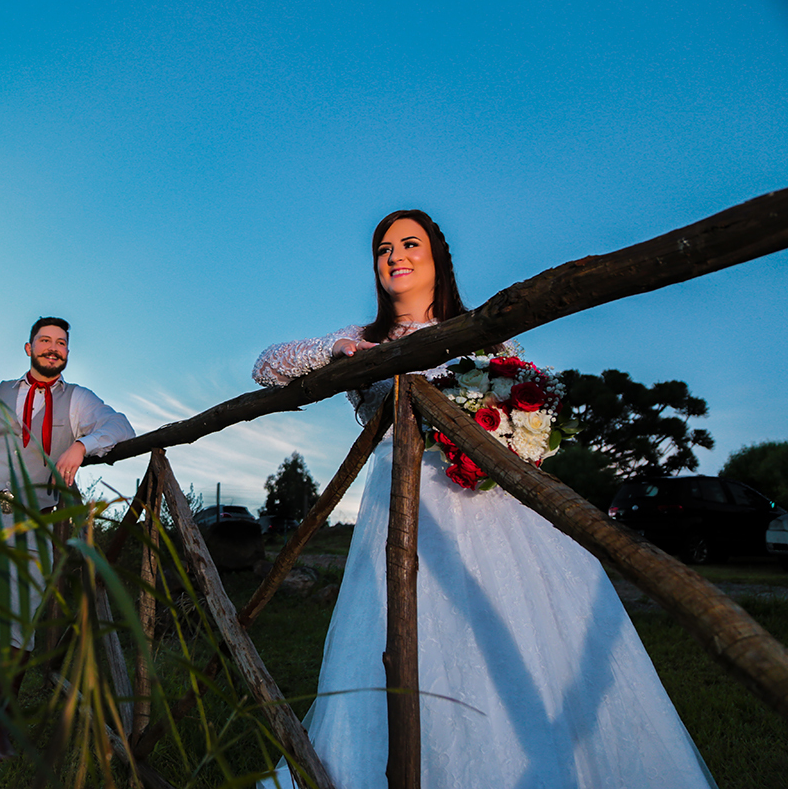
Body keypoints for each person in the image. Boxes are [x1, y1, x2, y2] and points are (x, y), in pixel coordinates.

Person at [253, 211, 717, 788]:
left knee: (513, 632)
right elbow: (267, 366)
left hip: (493, 512)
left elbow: (530, 408)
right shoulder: (362, 339)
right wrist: (342, 348)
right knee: (398, 637)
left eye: (410, 243)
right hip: (401, 509)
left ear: (438, 258)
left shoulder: (482, 330)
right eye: (384, 248)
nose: (396, 255)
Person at [0, 316, 135, 759]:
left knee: (18, 622)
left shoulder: (77, 400)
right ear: (28, 348)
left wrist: (83, 446)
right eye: (44, 340)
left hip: (32, 520)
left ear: (66, 353)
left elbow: (121, 426)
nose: (53, 348)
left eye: (60, 343)